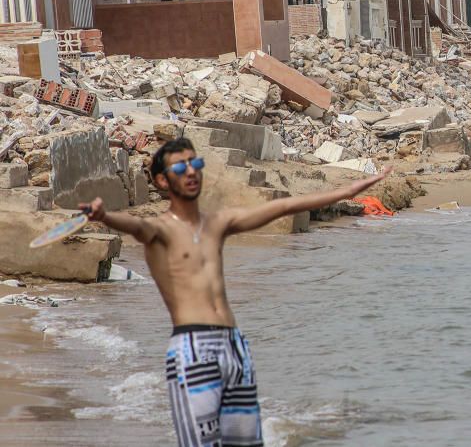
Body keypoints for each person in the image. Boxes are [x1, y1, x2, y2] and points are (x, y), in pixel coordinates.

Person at [81, 137, 389, 447]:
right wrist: (105, 216)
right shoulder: (160, 230)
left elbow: (283, 206)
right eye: (180, 167)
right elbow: (134, 226)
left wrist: (349, 191)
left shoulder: (217, 223)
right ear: (162, 180)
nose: (191, 172)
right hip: (194, 349)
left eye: (195, 163)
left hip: (235, 348)